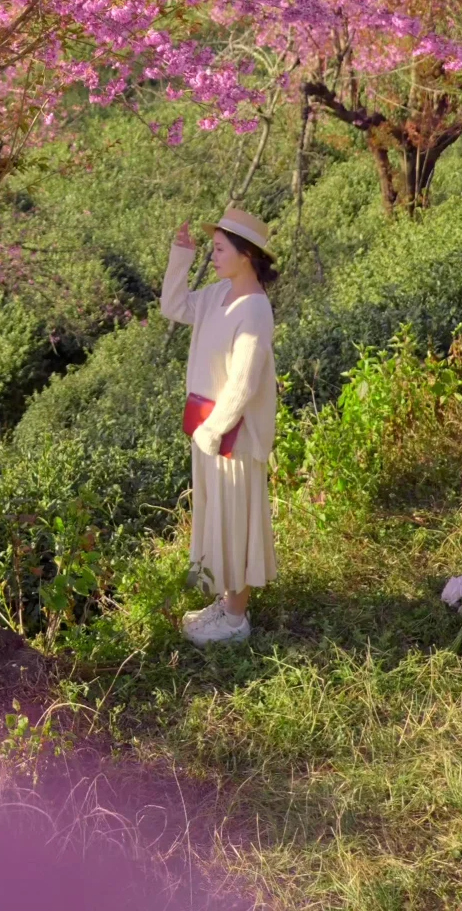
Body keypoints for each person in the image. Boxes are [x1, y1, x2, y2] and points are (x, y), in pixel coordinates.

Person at [161, 206, 278, 645]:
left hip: (233, 436)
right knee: (218, 519)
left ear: (246, 255)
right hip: (208, 428)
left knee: (236, 522)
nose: (213, 256)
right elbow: (173, 306)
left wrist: (212, 433)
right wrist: (181, 256)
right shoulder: (216, 295)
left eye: (220, 249)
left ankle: (235, 620)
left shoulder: (255, 309)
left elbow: (244, 383)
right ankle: (225, 604)